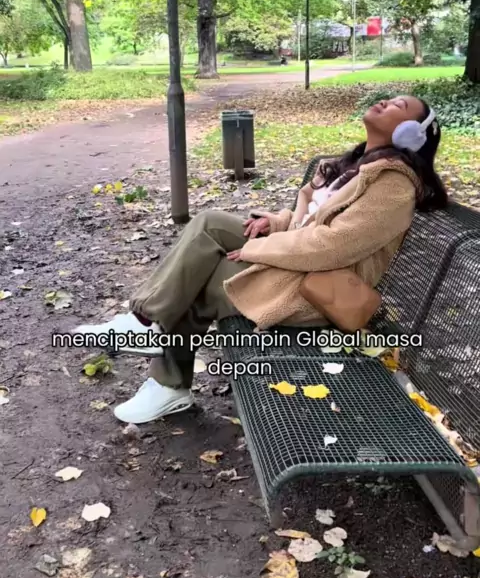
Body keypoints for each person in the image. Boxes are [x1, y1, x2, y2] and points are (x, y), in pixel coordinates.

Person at [74, 95, 447, 425]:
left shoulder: (393, 185)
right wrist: (276, 223)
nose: (385, 103)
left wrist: (257, 249)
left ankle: (166, 378)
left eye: (399, 106)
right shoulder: (357, 165)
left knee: (205, 275)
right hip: (298, 265)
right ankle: (145, 326)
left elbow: (334, 246)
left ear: (411, 135)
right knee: (209, 223)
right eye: (389, 99)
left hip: (315, 290)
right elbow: (310, 221)